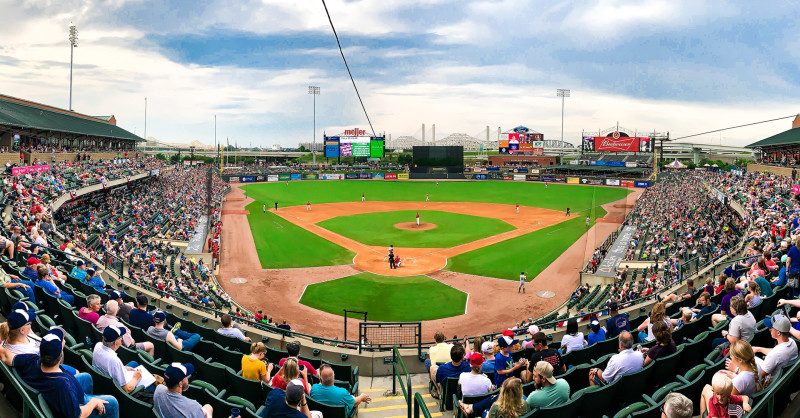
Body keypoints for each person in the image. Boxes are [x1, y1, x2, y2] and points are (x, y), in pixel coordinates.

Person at [0, 328, 120, 418]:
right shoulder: (60, 385)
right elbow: (77, 415)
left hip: (67, 394)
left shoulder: (31, 359)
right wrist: (93, 403)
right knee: (112, 402)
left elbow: (5, 355)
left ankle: (84, 401)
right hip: (74, 407)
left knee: (86, 377)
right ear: (60, 356)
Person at [92, 325, 153, 394]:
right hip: (117, 390)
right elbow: (127, 389)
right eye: (121, 337)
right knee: (152, 383)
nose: (122, 339)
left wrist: (123, 368)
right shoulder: (114, 360)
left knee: (134, 363)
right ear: (116, 343)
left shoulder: (98, 345)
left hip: (103, 380)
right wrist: (136, 377)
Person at [752, 315, 798, 385]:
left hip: (770, 382)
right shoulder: (792, 342)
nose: (769, 329)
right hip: (784, 380)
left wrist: (737, 370)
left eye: (771, 328)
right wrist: (759, 349)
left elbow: (760, 376)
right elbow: (776, 353)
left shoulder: (774, 355)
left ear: (778, 333)